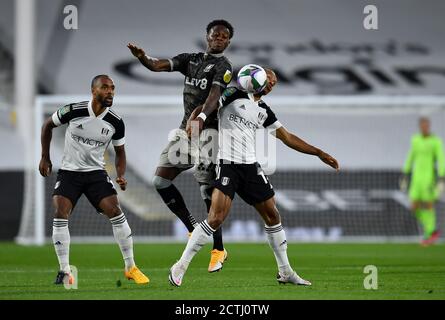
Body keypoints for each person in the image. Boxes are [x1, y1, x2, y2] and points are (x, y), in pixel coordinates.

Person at [168, 68, 339, 287]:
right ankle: (180, 266)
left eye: (275, 82)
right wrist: (194, 125)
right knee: (216, 218)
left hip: (250, 168)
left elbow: (287, 137)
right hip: (228, 164)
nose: (271, 83)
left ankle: (285, 271)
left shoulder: (264, 111)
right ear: (255, 77)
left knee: (273, 216)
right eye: (269, 78)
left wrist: (319, 153)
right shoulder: (233, 94)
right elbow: (204, 107)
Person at [127, 20, 234, 272]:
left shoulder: (224, 66)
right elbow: (157, 65)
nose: (219, 38)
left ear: (228, 41)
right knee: (160, 181)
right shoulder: (191, 60)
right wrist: (143, 57)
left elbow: (214, 97)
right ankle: (191, 228)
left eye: (224, 36)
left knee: (208, 190)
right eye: (215, 34)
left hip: (210, 132)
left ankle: (218, 249)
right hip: (186, 131)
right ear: (207, 37)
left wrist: (201, 118)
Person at [39, 75, 149, 285]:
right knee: (60, 211)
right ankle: (64, 271)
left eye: (113, 88)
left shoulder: (115, 122)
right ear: (93, 90)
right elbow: (47, 126)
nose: (110, 92)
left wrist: (121, 174)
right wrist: (45, 156)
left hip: (96, 174)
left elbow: (121, 152)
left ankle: (131, 267)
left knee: (116, 211)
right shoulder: (73, 110)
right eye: (105, 87)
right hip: (69, 173)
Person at [401, 117, 445, 245]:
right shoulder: (415, 140)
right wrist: (405, 172)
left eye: (426, 125)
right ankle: (431, 230)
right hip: (416, 179)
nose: (424, 127)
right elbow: (411, 156)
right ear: (420, 127)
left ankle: (430, 231)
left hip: (428, 179)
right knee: (414, 206)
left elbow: (441, 159)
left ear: (429, 126)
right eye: (422, 125)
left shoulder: (435, 141)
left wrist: (442, 177)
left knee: (428, 205)